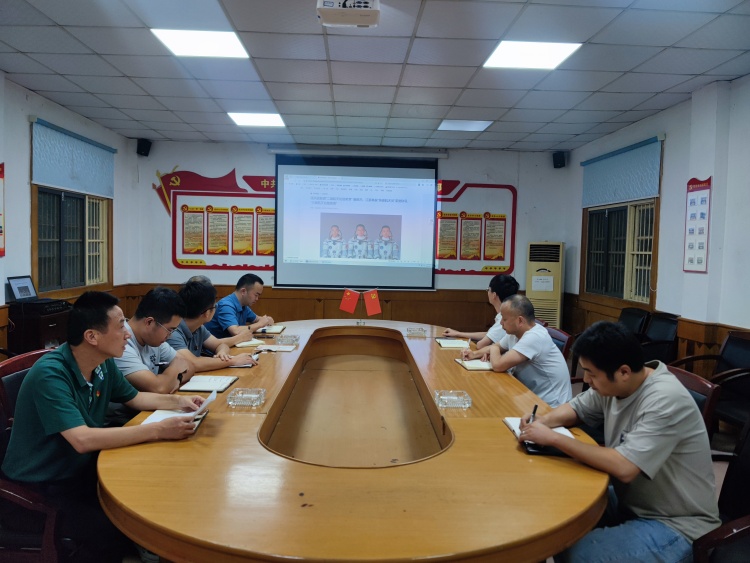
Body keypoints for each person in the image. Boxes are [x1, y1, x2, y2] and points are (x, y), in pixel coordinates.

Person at [0, 291, 205, 563]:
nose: (128, 334)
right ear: (92, 337)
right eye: (120, 326)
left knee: (147, 496)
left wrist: (180, 402)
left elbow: (136, 398)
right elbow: (82, 440)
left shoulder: (102, 364)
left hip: (79, 471)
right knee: (120, 529)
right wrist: (159, 429)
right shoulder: (51, 374)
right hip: (40, 488)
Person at [519, 321, 721, 562]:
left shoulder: (664, 399)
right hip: (634, 502)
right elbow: (577, 407)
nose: (587, 380)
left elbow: (625, 467)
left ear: (624, 372)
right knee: (557, 516)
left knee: (578, 554)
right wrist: (542, 422)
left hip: (677, 524)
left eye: (592, 374)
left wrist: (553, 438)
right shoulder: (616, 385)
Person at [462, 294, 571, 408]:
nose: (501, 323)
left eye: (504, 319)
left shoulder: (534, 337)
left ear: (520, 320)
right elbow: (498, 346)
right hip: (528, 395)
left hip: (550, 406)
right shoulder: (515, 332)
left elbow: (498, 365)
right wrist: (473, 354)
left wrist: (493, 349)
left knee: (490, 404)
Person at [114, 286, 194, 394]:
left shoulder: (154, 341)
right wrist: (176, 368)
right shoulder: (121, 345)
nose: (170, 336)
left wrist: (175, 380)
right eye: (170, 330)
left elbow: (189, 366)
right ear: (149, 322)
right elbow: (158, 388)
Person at [168, 279, 259, 370]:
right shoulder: (172, 331)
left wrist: (222, 353)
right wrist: (232, 360)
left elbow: (219, 344)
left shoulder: (199, 327)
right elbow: (193, 363)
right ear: (207, 313)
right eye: (215, 306)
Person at [442, 274, 519, 347]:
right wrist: (458, 334)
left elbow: (481, 345)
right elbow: (489, 334)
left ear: (494, 295)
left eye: (488, 290)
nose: (487, 292)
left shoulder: (504, 320)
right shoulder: (509, 316)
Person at [204, 273, 274, 338]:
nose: (257, 299)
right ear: (243, 291)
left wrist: (266, 320)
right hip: (217, 346)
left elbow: (257, 319)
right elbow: (235, 331)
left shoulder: (244, 305)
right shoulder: (226, 305)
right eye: (256, 295)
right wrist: (260, 324)